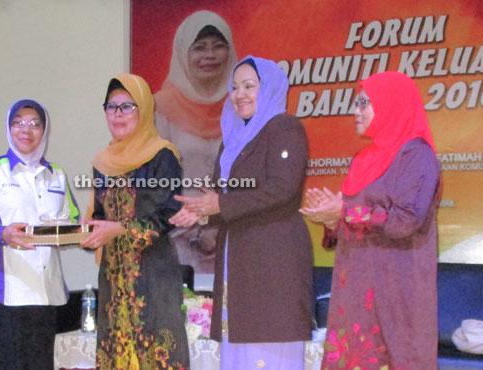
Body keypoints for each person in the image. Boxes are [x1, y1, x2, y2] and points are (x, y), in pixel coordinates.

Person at [170, 56, 313, 370]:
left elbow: (282, 189)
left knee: (270, 353)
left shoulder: (283, 128)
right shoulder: (233, 141)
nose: (239, 95)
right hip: (238, 263)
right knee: (239, 355)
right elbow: (228, 200)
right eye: (234, 88)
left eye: (250, 86)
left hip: (273, 263)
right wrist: (203, 212)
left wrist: (220, 205)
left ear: (270, 89)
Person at [300, 71, 440, 369]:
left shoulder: (417, 156)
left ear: (392, 104)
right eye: (356, 103)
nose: (356, 111)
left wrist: (346, 212)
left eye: (364, 103)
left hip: (396, 291)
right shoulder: (362, 159)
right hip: (353, 290)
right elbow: (347, 221)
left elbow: (406, 221)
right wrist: (329, 219)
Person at [80, 73, 189, 369]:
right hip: (113, 279)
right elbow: (100, 216)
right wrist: (86, 232)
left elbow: (170, 214)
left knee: (157, 356)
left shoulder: (161, 155)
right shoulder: (102, 162)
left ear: (143, 109)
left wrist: (119, 230)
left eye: (127, 106)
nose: (118, 114)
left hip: (153, 274)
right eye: (112, 107)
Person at [0, 99, 78, 370]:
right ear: (9, 128)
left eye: (35, 124)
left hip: (46, 290)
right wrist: (3, 233)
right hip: (8, 290)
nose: (26, 130)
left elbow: (71, 220)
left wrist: (71, 233)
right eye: (18, 123)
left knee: (41, 364)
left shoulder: (57, 175)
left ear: (45, 130)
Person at [154, 10, 237, 274]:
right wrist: (194, 233)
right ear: (182, 55)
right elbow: (154, 183)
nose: (209, 55)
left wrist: (218, 227)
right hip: (178, 241)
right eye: (199, 48)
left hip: (233, 238)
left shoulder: (241, 107)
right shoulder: (160, 108)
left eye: (218, 46)